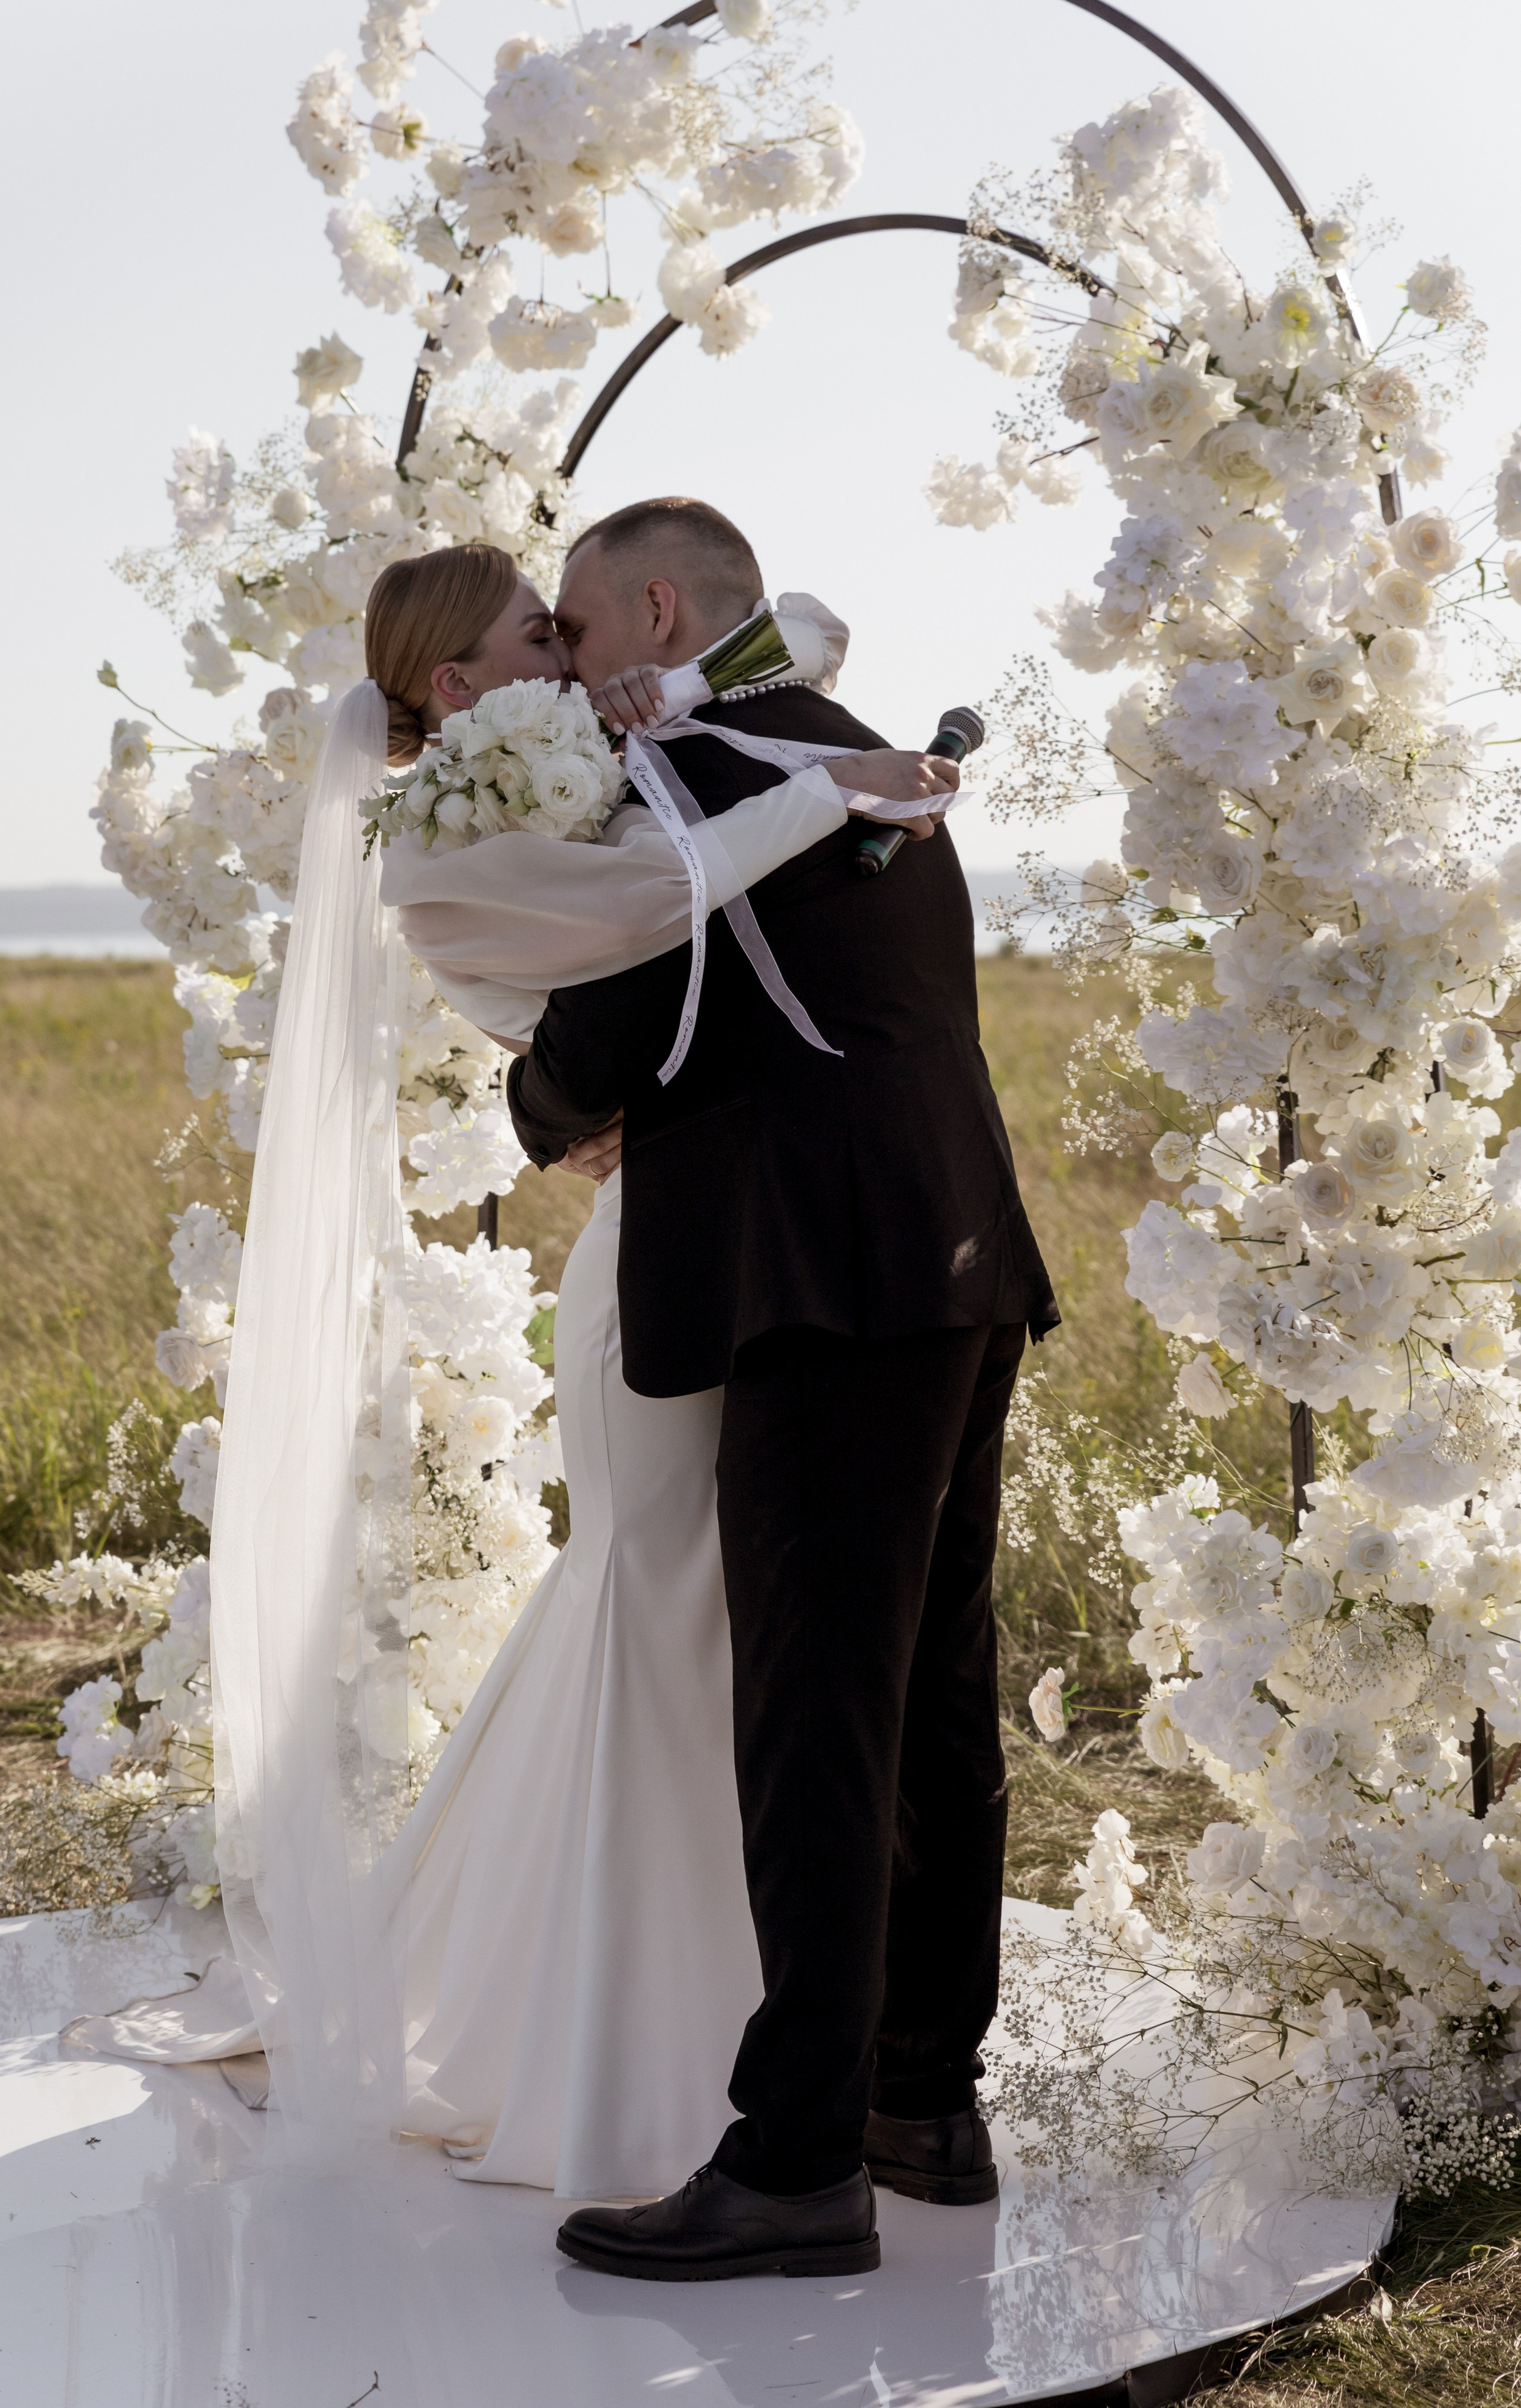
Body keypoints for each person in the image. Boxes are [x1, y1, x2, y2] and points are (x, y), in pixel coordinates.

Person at [68, 539, 952, 2203]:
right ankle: (621, 2047)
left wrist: (669, 685)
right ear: (457, 686)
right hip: (661, 1258)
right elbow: (635, 928)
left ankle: (763, 2029)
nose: (571, 647)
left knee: (712, 1626)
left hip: (714, 1231)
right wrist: (837, 783)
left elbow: (809, 620)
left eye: (581, 622)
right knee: (658, 1601)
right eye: (536, 632)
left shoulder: (592, 746)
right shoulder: (443, 841)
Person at [504, 497, 1060, 2281]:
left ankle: (800, 2156)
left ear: (660, 609)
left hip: (818, 1284)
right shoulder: (842, 753)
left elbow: (590, 1037)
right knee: (930, 1694)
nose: (573, 675)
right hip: (959, 1259)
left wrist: (544, 1107)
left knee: (816, 1715)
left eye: (579, 636)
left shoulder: (698, 789)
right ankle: (922, 2099)